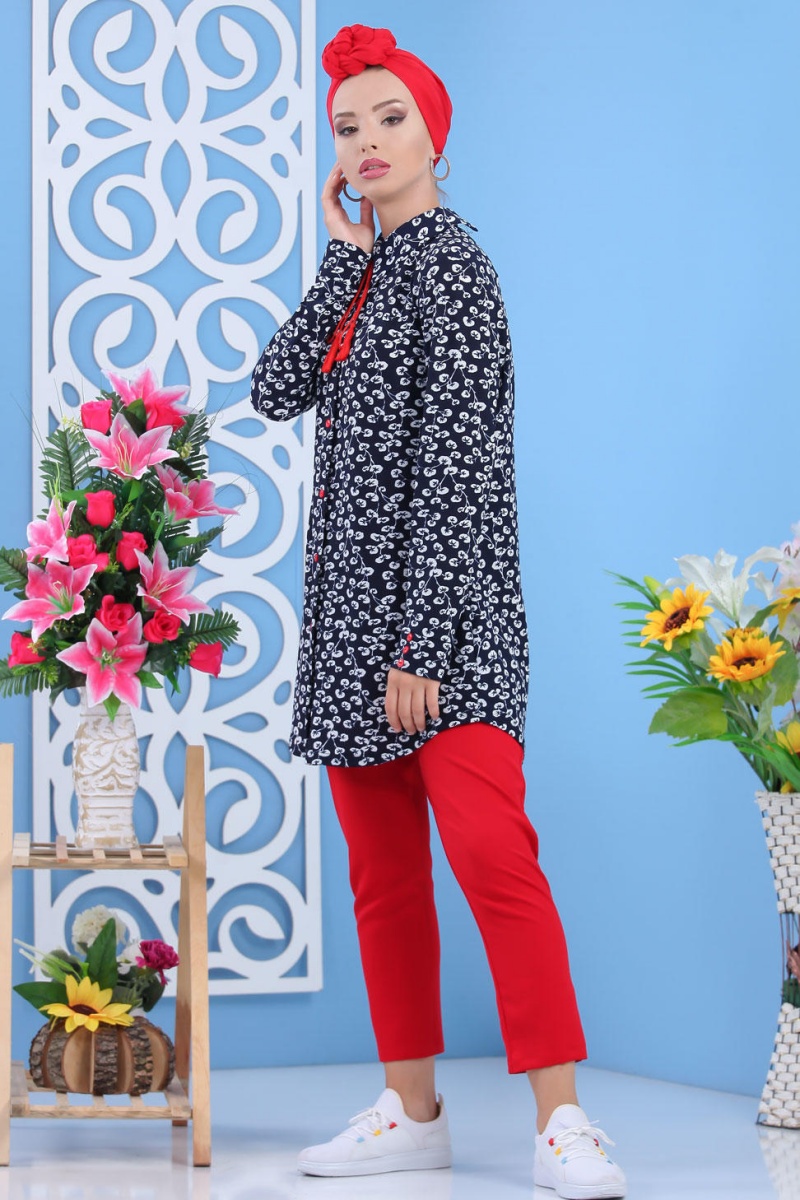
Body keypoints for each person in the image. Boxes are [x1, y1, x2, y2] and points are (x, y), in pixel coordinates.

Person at [250, 22, 627, 1199]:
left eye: (389, 119)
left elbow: (461, 467)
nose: (366, 142)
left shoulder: (456, 269)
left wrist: (420, 643)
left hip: (444, 631)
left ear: (433, 138)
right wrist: (339, 258)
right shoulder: (367, 273)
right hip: (349, 629)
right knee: (382, 880)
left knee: (491, 857)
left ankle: (563, 1122)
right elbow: (272, 389)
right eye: (346, 128)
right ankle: (409, 1110)